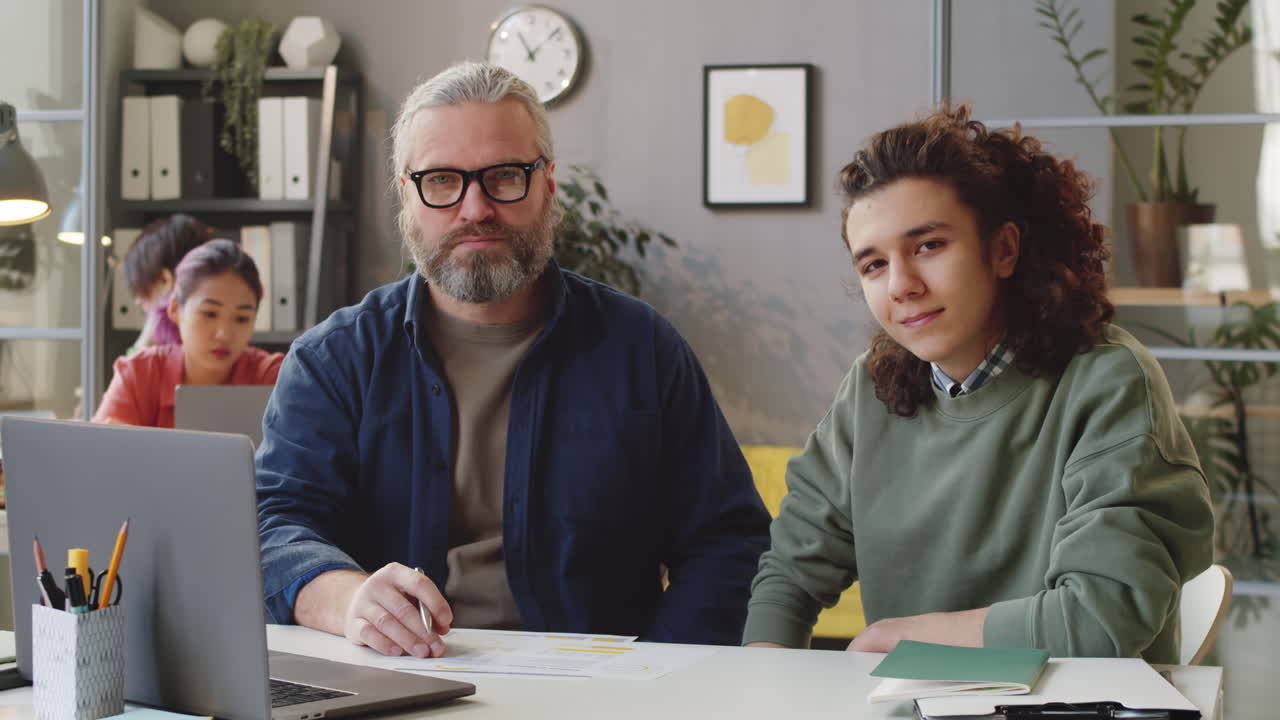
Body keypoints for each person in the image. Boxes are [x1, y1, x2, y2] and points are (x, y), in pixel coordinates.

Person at [256, 61, 771, 658]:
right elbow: (274, 526)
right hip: (393, 677)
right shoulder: (333, 360)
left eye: (503, 176)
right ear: (407, 196)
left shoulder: (642, 350)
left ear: (548, 184)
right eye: (442, 180)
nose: (475, 208)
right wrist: (348, 603)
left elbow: (728, 540)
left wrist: (658, 673)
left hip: (598, 689)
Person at [742, 106, 1214, 664]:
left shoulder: (1107, 382)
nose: (902, 285)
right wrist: (763, 674)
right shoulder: (867, 392)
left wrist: (902, 639)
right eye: (873, 265)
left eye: (928, 246)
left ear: (1004, 250)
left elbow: (1103, 615)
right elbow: (790, 577)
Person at [93, 238, 283, 427]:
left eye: (242, 318)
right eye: (209, 314)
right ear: (175, 308)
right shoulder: (140, 374)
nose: (224, 334)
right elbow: (99, 451)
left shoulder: (273, 377)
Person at [121, 214, 215, 356]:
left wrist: (147, 335)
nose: (137, 301)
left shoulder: (171, 342)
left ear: (165, 281)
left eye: (141, 289)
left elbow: (130, 373)